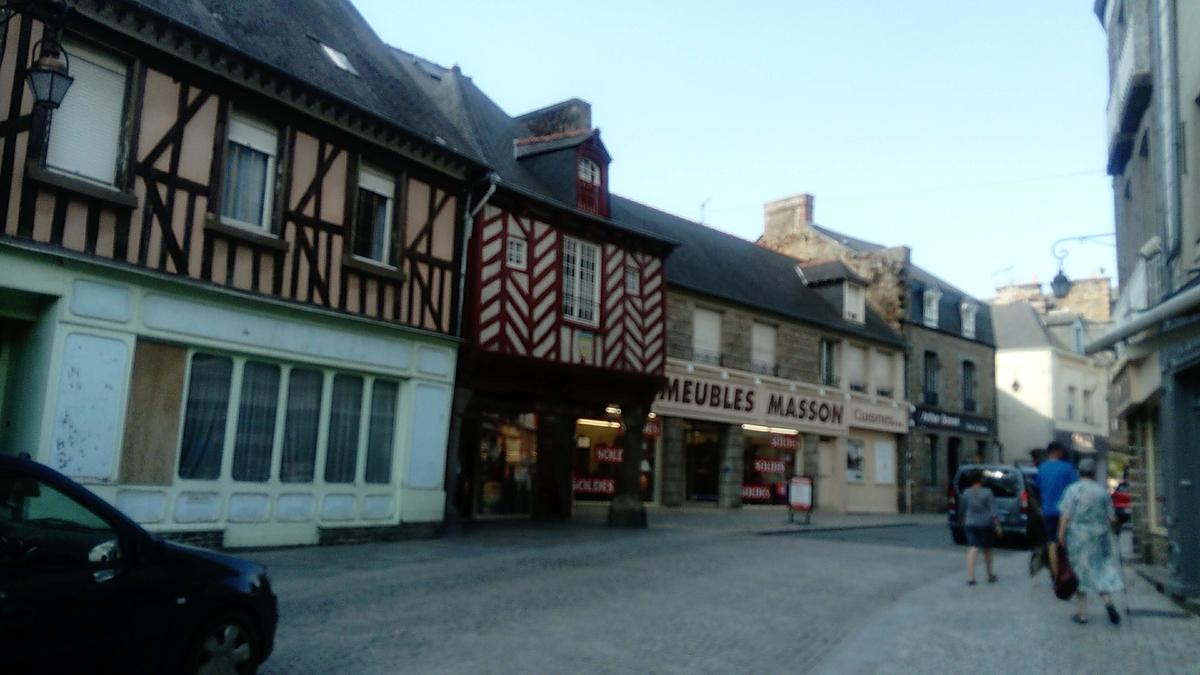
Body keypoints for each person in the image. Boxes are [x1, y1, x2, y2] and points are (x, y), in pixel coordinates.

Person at [1057, 456, 1124, 624]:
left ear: (1079, 472)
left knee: (1080, 572)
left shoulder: (1072, 490)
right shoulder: (1102, 491)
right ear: (1093, 473)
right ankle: (1108, 603)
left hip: (1078, 536)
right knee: (1100, 570)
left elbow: (1066, 515)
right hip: (1099, 535)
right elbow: (1112, 518)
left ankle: (1082, 614)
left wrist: (1061, 535)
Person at [1035, 441, 1079, 575]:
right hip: (1066, 512)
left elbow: (1038, 488)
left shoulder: (1042, 468)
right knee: (1068, 541)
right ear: (1057, 452)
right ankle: (1070, 571)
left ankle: (1056, 573)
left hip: (1048, 511)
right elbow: (1075, 489)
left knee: (1052, 542)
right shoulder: (1068, 468)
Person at [959, 469, 1001, 585]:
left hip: (970, 522)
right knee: (987, 549)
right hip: (985, 524)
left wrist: (962, 520)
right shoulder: (988, 492)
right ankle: (989, 575)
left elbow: (962, 508)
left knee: (972, 548)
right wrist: (997, 524)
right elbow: (993, 511)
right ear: (981, 479)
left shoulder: (966, 492)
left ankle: (971, 577)